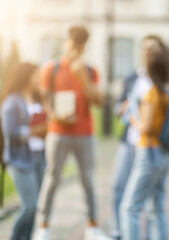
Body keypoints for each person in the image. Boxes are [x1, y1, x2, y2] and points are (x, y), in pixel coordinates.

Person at [34, 25, 110, 240]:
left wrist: (81, 77)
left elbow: (98, 101)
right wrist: (55, 116)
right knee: (52, 178)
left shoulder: (89, 71)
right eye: (72, 44)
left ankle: (92, 228)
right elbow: (45, 100)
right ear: (66, 41)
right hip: (58, 132)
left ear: (84, 47)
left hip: (84, 133)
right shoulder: (50, 69)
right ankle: (43, 227)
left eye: (80, 46)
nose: (75, 49)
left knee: (87, 180)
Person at [110, 35, 169, 240]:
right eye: (144, 49)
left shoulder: (157, 90)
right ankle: (120, 231)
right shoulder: (143, 82)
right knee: (152, 202)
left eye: (151, 50)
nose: (146, 53)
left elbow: (147, 127)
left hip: (149, 149)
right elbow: (119, 106)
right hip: (140, 146)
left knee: (132, 207)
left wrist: (134, 117)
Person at [0, 62, 45, 240]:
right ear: (25, 77)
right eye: (35, 75)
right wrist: (36, 130)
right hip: (20, 160)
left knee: (36, 207)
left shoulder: (36, 98)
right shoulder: (11, 102)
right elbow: (10, 133)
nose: (38, 79)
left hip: (39, 157)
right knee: (29, 206)